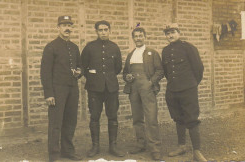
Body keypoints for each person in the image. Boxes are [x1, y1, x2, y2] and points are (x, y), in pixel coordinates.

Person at [161, 23, 207, 161]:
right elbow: (167, 72)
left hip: (188, 89)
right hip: (173, 90)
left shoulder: (189, 48)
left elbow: (198, 69)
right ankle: (181, 146)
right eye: (168, 33)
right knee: (178, 118)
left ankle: (197, 151)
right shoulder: (165, 51)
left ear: (179, 33)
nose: (170, 35)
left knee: (192, 119)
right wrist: (175, 85)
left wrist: (191, 85)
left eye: (173, 32)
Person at [40, 16, 83, 162]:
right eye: (64, 25)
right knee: (55, 123)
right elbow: (45, 72)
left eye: (70, 25)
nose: (67, 28)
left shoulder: (74, 47)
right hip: (57, 91)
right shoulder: (51, 47)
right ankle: (53, 154)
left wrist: (79, 72)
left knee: (70, 121)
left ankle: (68, 151)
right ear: (58, 28)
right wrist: (49, 94)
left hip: (72, 89)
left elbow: (80, 66)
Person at [81, 20, 124, 158]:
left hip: (111, 88)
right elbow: (83, 66)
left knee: (112, 117)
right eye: (100, 30)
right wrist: (95, 78)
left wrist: (107, 79)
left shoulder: (114, 47)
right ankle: (95, 146)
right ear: (96, 32)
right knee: (94, 117)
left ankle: (113, 146)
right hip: (94, 88)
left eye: (106, 29)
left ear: (110, 31)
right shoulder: (90, 47)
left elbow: (117, 68)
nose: (103, 32)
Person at [123, 27, 164, 161]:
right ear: (133, 38)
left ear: (145, 37)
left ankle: (155, 148)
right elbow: (125, 73)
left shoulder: (152, 52)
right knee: (137, 117)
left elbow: (160, 71)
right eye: (136, 36)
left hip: (147, 88)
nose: (138, 38)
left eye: (141, 35)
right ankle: (141, 144)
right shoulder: (131, 54)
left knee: (151, 118)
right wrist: (127, 77)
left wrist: (150, 83)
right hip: (134, 88)